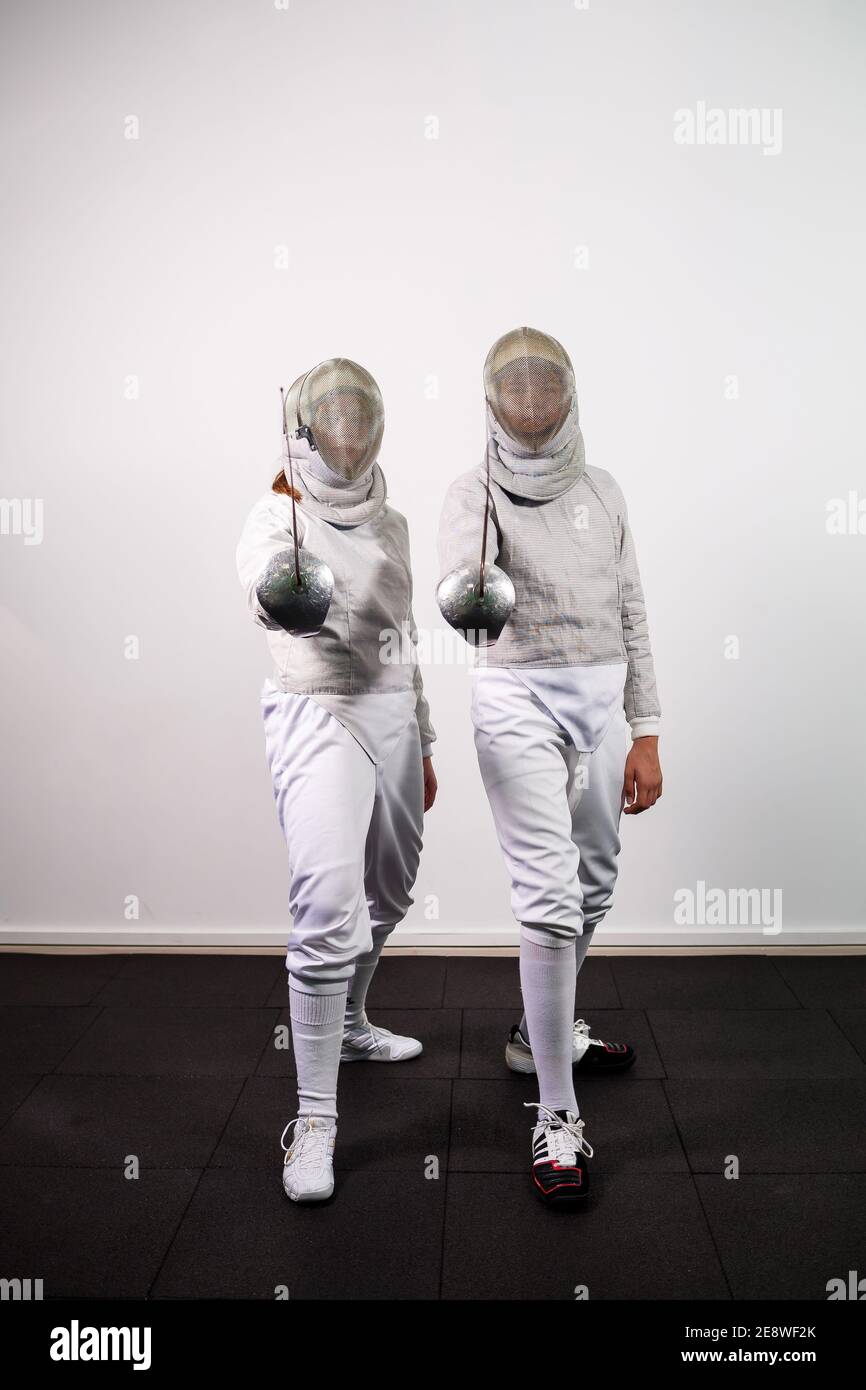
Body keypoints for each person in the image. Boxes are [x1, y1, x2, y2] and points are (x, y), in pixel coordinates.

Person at [437, 327, 662, 1208]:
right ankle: (556, 1113)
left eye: (544, 389)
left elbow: (633, 607)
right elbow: (464, 602)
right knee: (549, 895)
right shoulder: (473, 491)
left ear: (567, 395)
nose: (531, 404)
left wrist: (646, 726)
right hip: (516, 697)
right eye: (514, 391)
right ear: (493, 401)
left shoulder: (604, 491)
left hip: (605, 700)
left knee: (595, 884)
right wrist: (473, 578)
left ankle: (543, 1034)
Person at [237, 358, 437, 1204]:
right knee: (328, 903)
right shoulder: (273, 517)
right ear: (309, 430)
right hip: (315, 710)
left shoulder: (389, 519)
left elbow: (407, 629)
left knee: (390, 891)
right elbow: (261, 592)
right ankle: (315, 1119)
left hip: (390, 709)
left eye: (363, 422)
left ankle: (351, 1024)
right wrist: (285, 591)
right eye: (337, 424)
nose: (351, 437)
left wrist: (423, 738)